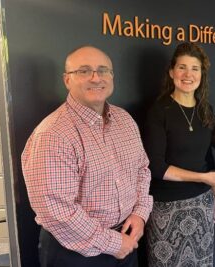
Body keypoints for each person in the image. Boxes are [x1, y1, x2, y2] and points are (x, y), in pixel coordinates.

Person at [21, 45, 153, 267]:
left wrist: (140, 214)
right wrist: (113, 243)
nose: (95, 77)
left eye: (103, 70)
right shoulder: (53, 133)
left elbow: (142, 170)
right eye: (84, 71)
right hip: (75, 253)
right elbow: (56, 211)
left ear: (112, 77)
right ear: (67, 80)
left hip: (128, 241)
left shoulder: (125, 120)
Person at [142, 42, 215, 267]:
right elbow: (157, 168)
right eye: (182, 67)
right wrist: (203, 178)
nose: (188, 74)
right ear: (172, 72)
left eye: (195, 68)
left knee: (201, 262)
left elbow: (208, 159)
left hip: (202, 203)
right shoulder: (159, 111)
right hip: (167, 207)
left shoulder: (205, 110)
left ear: (202, 74)